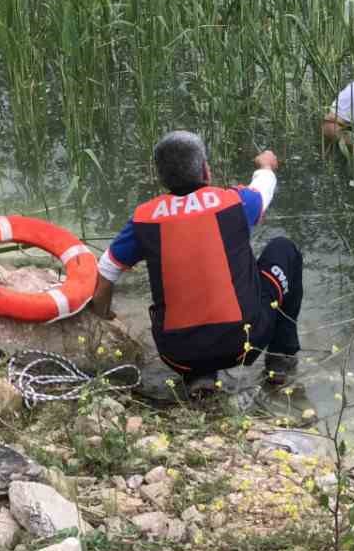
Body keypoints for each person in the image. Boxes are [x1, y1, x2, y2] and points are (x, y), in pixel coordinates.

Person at [89, 132, 302, 390]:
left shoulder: (143, 219)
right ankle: (280, 359)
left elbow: (107, 270)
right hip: (245, 343)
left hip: (177, 355)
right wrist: (265, 165)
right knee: (283, 249)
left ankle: (200, 376)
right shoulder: (234, 202)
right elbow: (264, 188)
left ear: (161, 177)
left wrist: (103, 316)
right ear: (205, 170)